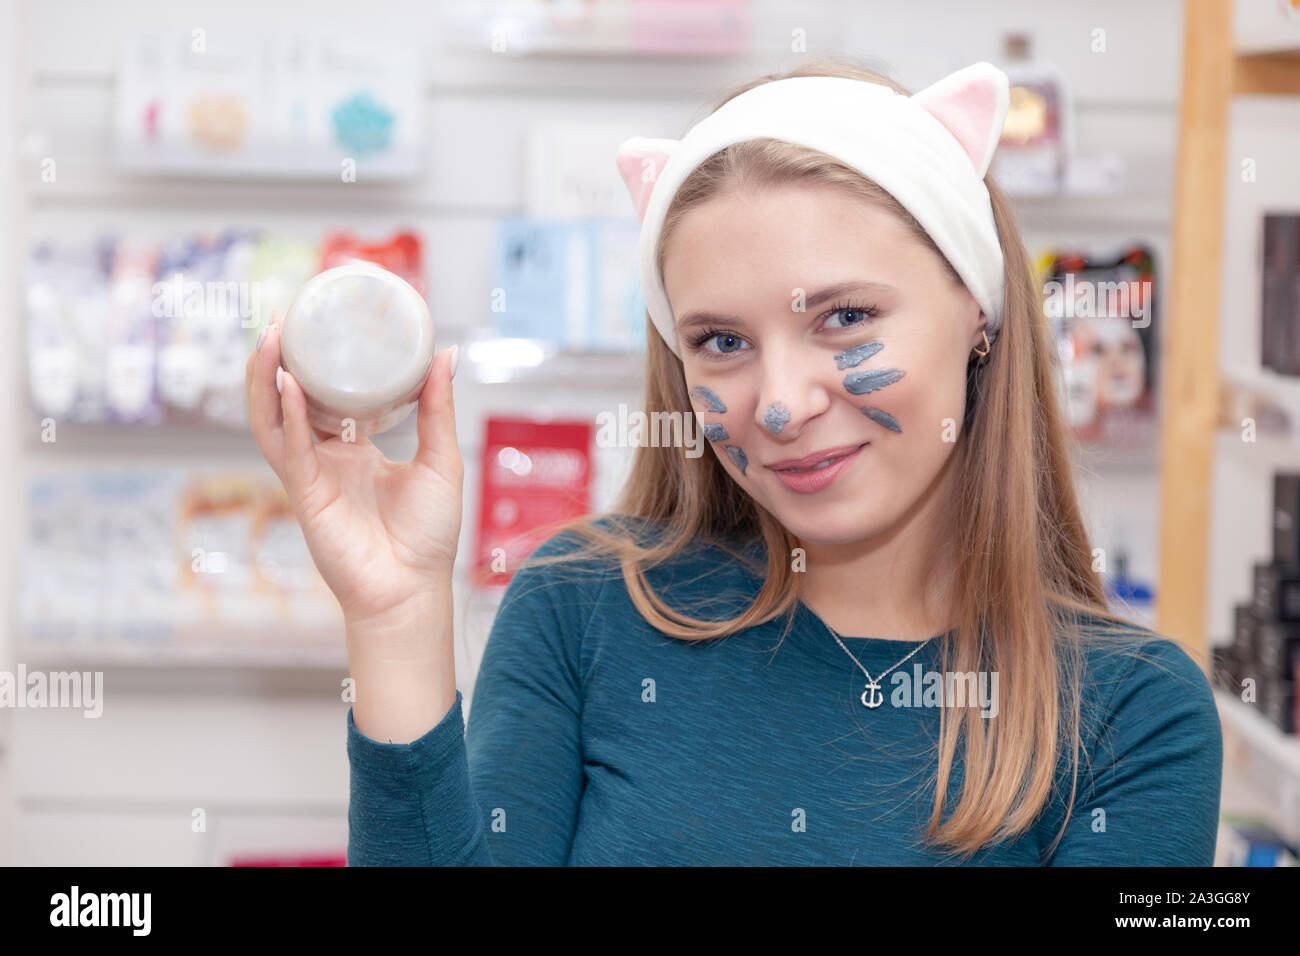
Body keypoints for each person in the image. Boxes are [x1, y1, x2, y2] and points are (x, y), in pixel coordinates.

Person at [245, 58, 1222, 866]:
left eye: (845, 317)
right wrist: (396, 618)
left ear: (977, 311)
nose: (781, 403)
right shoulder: (583, 609)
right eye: (721, 341)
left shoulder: (1133, 715)